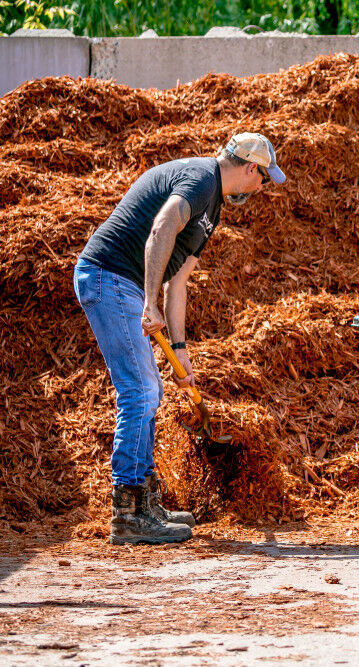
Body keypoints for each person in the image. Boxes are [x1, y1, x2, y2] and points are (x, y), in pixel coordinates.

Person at [73, 132, 286, 545]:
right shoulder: (202, 178)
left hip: (126, 283)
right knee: (140, 390)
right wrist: (147, 303)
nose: (262, 187)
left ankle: (146, 502)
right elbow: (162, 227)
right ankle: (128, 512)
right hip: (110, 275)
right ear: (248, 168)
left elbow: (180, 283)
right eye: (263, 178)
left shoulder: (213, 207)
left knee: (149, 387)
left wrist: (182, 349)